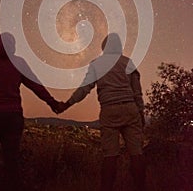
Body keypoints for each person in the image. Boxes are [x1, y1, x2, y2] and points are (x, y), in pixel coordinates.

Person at [0, 33, 60, 191]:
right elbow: (36, 85)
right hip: (12, 118)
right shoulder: (18, 63)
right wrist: (52, 102)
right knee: (12, 163)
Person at [57, 33, 146, 191]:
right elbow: (137, 93)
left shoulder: (96, 64)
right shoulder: (128, 62)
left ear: (104, 47)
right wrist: (141, 114)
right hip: (130, 108)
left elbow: (84, 89)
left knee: (110, 156)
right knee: (136, 153)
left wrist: (67, 104)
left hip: (109, 110)